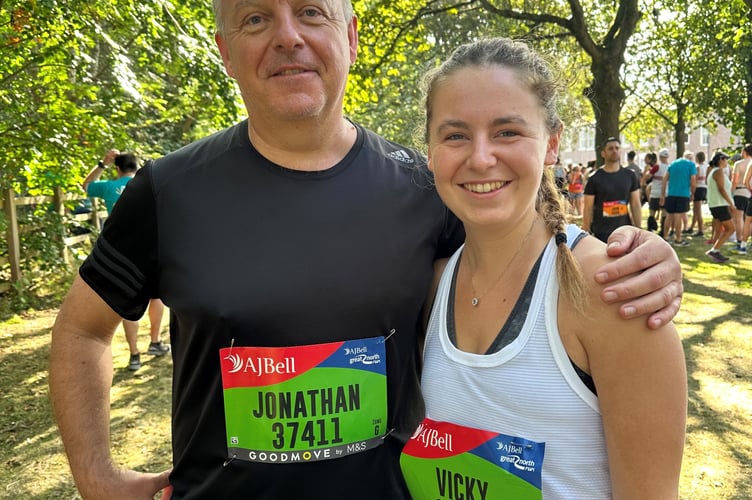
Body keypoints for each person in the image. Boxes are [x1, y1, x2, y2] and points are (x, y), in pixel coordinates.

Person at [48, 2, 684, 498]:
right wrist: (97, 478)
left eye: (313, 13)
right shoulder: (168, 190)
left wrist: (640, 254)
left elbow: (526, 246)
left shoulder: (426, 188)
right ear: (224, 51)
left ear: (350, 37)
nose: (288, 36)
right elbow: (81, 329)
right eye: (255, 18)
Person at [400, 37, 686, 499]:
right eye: (455, 135)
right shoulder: (432, 288)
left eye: (507, 132)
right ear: (430, 153)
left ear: (552, 144)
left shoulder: (613, 292)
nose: (480, 157)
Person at [82, 149, 170, 370]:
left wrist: (103, 163)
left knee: (130, 302)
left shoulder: (110, 187)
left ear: (118, 168)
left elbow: (86, 185)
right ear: (137, 167)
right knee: (155, 298)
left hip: (121, 251)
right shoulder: (148, 185)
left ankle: (134, 355)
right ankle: (155, 342)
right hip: (153, 246)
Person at [582, 137, 641, 242]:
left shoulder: (630, 176)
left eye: (617, 148)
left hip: (625, 230)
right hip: (601, 232)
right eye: (610, 149)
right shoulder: (594, 178)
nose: (614, 151)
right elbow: (587, 208)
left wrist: (639, 229)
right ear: (603, 153)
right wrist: (585, 232)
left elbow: (635, 204)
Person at [660, 151, 697, 247]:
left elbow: (664, 179)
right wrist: (693, 193)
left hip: (671, 193)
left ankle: (665, 237)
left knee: (669, 216)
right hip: (683, 194)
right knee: (678, 216)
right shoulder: (691, 165)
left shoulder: (673, 164)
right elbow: (693, 181)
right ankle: (678, 239)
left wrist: (663, 195)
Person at [706, 151, 736, 262]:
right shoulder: (718, 172)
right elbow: (722, 189)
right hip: (720, 204)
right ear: (720, 160)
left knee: (719, 229)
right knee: (730, 228)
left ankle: (715, 250)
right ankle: (715, 251)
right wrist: (731, 203)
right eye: (725, 159)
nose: (727, 162)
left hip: (717, 204)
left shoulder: (716, 171)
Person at [731, 145, 751, 253]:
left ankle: (739, 241)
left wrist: (731, 193)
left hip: (740, 191)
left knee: (739, 218)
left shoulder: (738, 164)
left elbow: (735, 180)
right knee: (749, 220)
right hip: (750, 192)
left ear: (744, 152)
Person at [687, 151, 708, 237]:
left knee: (698, 210)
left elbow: (695, 180)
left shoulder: (697, 167)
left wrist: (692, 192)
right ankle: (692, 227)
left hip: (698, 188)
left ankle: (700, 229)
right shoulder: (707, 166)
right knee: (695, 210)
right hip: (704, 188)